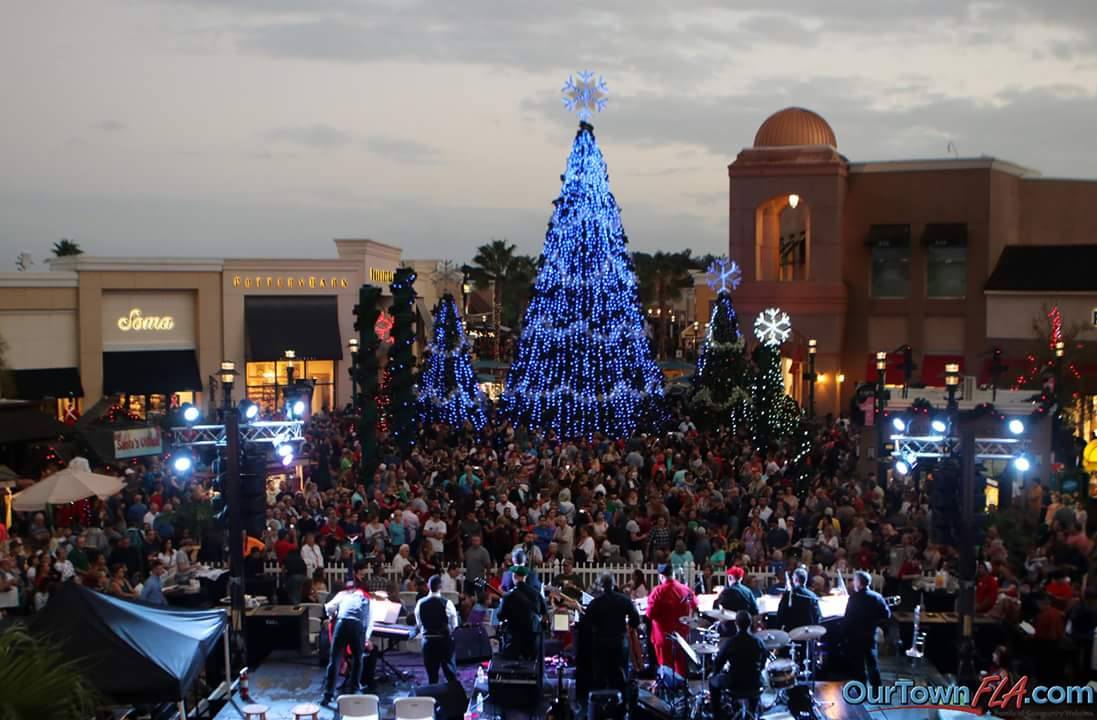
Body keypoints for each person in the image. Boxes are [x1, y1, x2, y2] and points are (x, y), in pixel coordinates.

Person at [321, 561, 374, 705]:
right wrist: (367, 638)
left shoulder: (342, 594)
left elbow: (328, 608)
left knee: (335, 660)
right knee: (358, 659)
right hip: (357, 625)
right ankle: (355, 689)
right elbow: (370, 620)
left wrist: (334, 614)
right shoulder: (366, 597)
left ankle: (327, 695)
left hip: (342, 623)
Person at [583, 572, 641, 696]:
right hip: (620, 641)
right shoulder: (624, 600)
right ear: (614, 584)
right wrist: (629, 626)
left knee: (600, 674)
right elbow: (635, 619)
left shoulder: (595, 603)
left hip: (601, 642)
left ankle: (600, 704)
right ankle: (622, 702)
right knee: (621, 673)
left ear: (601, 586)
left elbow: (586, 623)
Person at [708, 611, 766, 717]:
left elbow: (718, 662)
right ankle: (752, 711)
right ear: (750, 624)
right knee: (756, 682)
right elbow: (763, 661)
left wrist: (715, 674)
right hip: (754, 683)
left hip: (734, 683)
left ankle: (717, 714)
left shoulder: (731, 642)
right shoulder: (758, 642)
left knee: (712, 681)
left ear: (736, 624)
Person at [645, 563, 697, 680]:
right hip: (682, 636)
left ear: (661, 576)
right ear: (672, 574)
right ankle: (682, 691)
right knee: (681, 670)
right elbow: (695, 604)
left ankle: (667, 695)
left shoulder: (658, 591)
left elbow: (650, 614)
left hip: (663, 636)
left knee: (666, 672)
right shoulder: (685, 589)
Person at [843, 570, 891, 686]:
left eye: (854, 581)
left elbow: (848, 619)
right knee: (872, 664)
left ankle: (861, 691)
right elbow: (886, 615)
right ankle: (878, 692)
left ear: (859, 583)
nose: (853, 583)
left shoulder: (853, 598)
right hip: (870, 635)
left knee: (858, 666)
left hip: (855, 637)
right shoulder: (877, 597)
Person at [414, 574, 460, 685]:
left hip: (428, 642)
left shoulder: (420, 603)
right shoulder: (447, 603)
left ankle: (433, 700)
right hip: (444, 641)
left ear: (428, 586)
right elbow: (454, 625)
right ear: (440, 587)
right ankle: (453, 698)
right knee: (450, 675)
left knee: (432, 676)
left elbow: (419, 624)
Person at [496, 565, 548, 661]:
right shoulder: (536, 594)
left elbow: (500, 615)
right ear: (525, 577)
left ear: (514, 576)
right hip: (532, 640)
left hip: (514, 640)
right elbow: (545, 614)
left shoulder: (508, 596)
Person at [715, 566, 758, 635]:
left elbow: (717, 608)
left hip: (729, 627)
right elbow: (755, 610)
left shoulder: (726, 591)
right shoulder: (748, 591)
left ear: (730, 578)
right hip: (746, 627)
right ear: (741, 578)